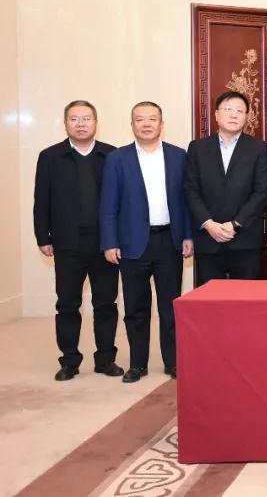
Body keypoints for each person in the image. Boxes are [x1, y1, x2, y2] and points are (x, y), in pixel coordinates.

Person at [99, 101, 192, 383]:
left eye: (152, 119)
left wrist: (188, 235)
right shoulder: (117, 158)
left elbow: (187, 201)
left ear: (162, 124)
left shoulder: (178, 156)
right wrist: (109, 242)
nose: (147, 124)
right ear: (132, 125)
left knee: (169, 307)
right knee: (136, 308)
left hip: (169, 241)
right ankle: (137, 364)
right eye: (140, 119)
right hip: (132, 244)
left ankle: (172, 361)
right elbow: (108, 205)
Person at [33, 100, 122, 381]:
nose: (80, 124)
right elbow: (41, 201)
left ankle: (105, 359)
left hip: (105, 244)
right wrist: (42, 236)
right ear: (65, 123)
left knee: (106, 304)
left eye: (86, 118)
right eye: (74, 119)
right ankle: (69, 361)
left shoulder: (112, 155)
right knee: (68, 304)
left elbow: (123, 200)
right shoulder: (50, 157)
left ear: (96, 122)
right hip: (67, 243)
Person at [184, 91, 267, 286]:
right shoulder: (198, 148)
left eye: (239, 111)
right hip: (208, 239)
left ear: (246, 116)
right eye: (228, 109)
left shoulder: (259, 148)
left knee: (246, 299)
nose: (233, 115)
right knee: (208, 300)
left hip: (245, 239)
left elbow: (262, 192)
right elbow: (191, 190)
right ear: (216, 114)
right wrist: (209, 224)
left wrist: (235, 224)